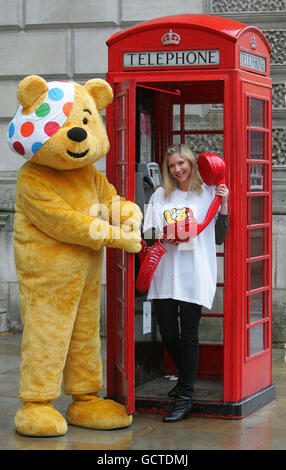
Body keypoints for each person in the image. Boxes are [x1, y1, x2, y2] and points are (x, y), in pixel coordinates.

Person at [143, 144, 229, 423]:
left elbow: (218, 237)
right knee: (168, 333)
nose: (177, 169)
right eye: (171, 166)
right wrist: (165, 233)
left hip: (194, 273)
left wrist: (224, 206)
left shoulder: (207, 194)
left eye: (182, 163)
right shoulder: (160, 195)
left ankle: (184, 396)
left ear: (191, 164)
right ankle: (185, 382)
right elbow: (148, 231)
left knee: (189, 335)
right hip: (165, 272)